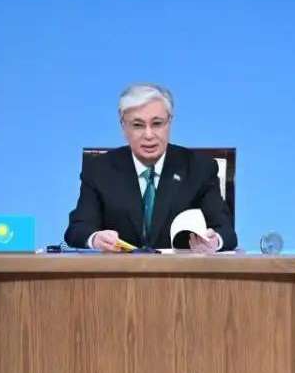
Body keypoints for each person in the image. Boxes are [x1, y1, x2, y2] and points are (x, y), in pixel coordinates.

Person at [64, 83, 237, 252]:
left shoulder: (199, 168)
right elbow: (77, 229)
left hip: (182, 276)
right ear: (123, 127)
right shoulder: (99, 169)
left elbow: (226, 231)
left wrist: (214, 242)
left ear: (169, 123)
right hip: (118, 276)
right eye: (138, 125)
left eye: (157, 124)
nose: (149, 135)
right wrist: (95, 238)